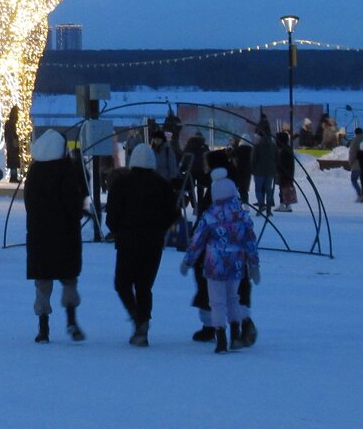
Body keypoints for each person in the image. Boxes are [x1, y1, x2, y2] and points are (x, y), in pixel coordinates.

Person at [105, 143, 179, 347]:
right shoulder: (163, 185)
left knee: (122, 283)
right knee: (144, 286)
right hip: (153, 243)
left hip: (127, 242)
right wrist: (159, 228)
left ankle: (137, 317)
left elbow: (111, 216)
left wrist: (119, 229)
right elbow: (173, 213)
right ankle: (143, 324)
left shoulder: (122, 184)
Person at [180, 168, 260, 354]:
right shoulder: (242, 216)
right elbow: (250, 242)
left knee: (217, 302)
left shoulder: (209, 216)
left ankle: (221, 339)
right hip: (236, 265)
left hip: (214, 266)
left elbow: (197, 241)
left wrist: (188, 262)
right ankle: (236, 335)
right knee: (233, 298)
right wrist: (254, 265)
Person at [25, 129, 88, 344]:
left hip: (40, 235)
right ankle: (72, 321)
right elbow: (73, 202)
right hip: (65, 234)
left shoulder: (34, 172)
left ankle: (43, 328)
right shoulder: (66, 170)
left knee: (42, 283)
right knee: (69, 279)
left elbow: (29, 204)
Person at [251, 128, 277, 216]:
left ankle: (261, 205)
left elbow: (253, 159)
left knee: (258, 190)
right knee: (268, 190)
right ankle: (269, 209)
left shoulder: (257, 146)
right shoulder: (273, 146)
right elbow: (277, 159)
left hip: (259, 171)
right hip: (270, 171)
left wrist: (253, 169)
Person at [275, 131, 297, 212]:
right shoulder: (287, 148)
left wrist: (278, 167)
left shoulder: (284, 150)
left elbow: (282, 162)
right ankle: (284, 204)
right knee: (283, 188)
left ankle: (286, 204)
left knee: (284, 188)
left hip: (284, 173)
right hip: (286, 172)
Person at [4, 106, 22, 183]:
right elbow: (12, 134)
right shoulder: (12, 124)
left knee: (12, 161)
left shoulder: (8, 123)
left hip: (9, 144)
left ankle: (13, 176)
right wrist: (15, 140)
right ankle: (13, 177)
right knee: (14, 161)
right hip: (12, 145)